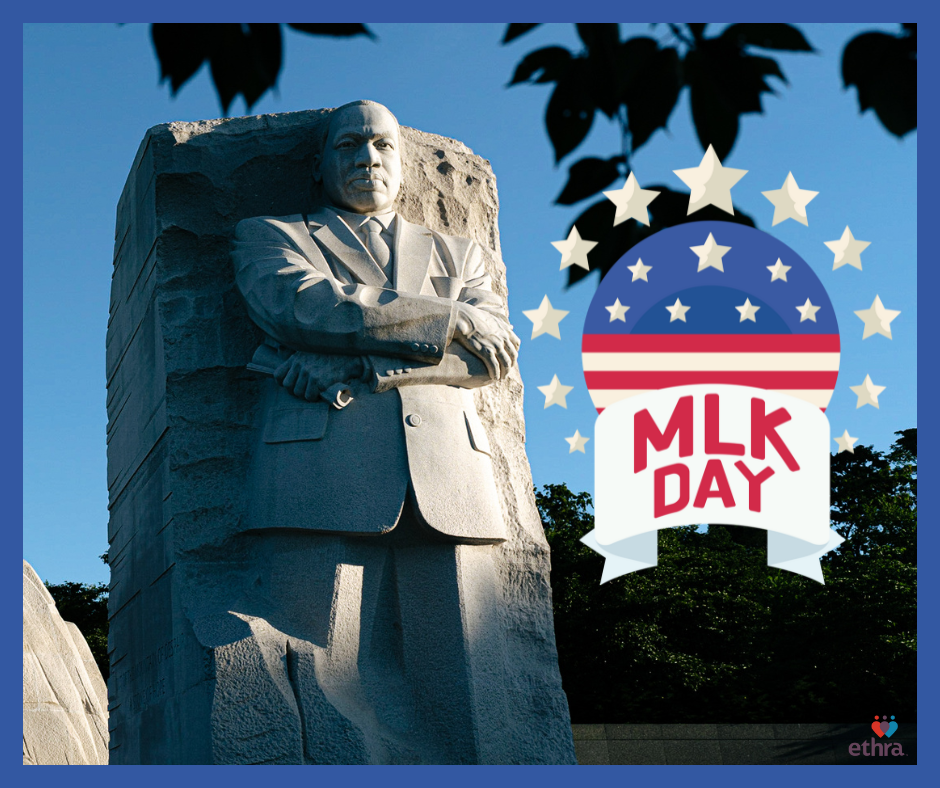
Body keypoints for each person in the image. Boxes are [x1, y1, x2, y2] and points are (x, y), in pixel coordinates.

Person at [219, 100, 538, 764]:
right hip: (318, 471)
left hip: (450, 473)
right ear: (320, 163)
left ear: (404, 162)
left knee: (470, 701)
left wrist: (368, 365)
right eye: (349, 145)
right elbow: (303, 305)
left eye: (383, 145)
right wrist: (446, 316)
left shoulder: (463, 254)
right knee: (314, 676)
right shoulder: (272, 234)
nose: (368, 157)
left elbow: (489, 355)